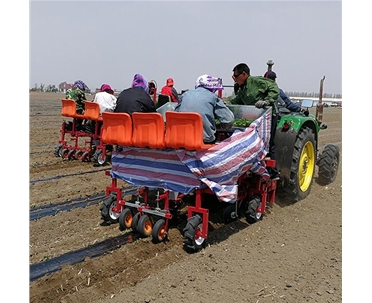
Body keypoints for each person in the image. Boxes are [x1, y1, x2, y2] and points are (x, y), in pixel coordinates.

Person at [229, 63, 280, 180]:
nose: (234, 79)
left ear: (244, 74)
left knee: (267, 143)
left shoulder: (257, 81)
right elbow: (237, 101)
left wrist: (267, 101)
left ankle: (273, 173)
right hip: (255, 118)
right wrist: (224, 105)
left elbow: (274, 87)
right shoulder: (242, 89)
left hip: (269, 116)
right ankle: (253, 169)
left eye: (235, 76)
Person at [174, 74, 235, 144]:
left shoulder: (185, 95)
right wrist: (217, 127)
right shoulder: (213, 97)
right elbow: (229, 120)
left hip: (181, 138)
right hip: (203, 140)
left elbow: (176, 115)